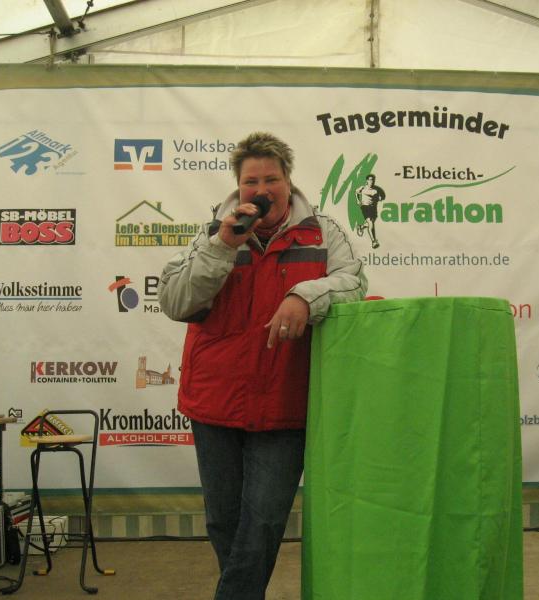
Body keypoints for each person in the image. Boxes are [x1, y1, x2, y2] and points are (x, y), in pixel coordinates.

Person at [158, 132, 367, 600]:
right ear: (239, 187)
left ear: (288, 182)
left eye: (271, 179)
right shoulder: (213, 234)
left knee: (265, 522)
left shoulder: (322, 233)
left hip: (285, 403)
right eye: (251, 181)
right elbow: (174, 300)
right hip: (214, 402)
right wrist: (221, 247)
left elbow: (353, 283)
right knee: (224, 522)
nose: (261, 189)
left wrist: (305, 296)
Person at [355, 173, 385, 249]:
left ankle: (361, 227)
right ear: (367, 180)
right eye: (370, 180)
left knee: (371, 223)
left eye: (373, 180)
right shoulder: (363, 188)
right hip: (365, 207)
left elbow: (383, 196)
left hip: (373, 208)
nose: (372, 181)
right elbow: (356, 192)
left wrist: (380, 198)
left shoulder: (377, 189)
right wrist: (358, 200)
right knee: (371, 223)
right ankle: (374, 241)